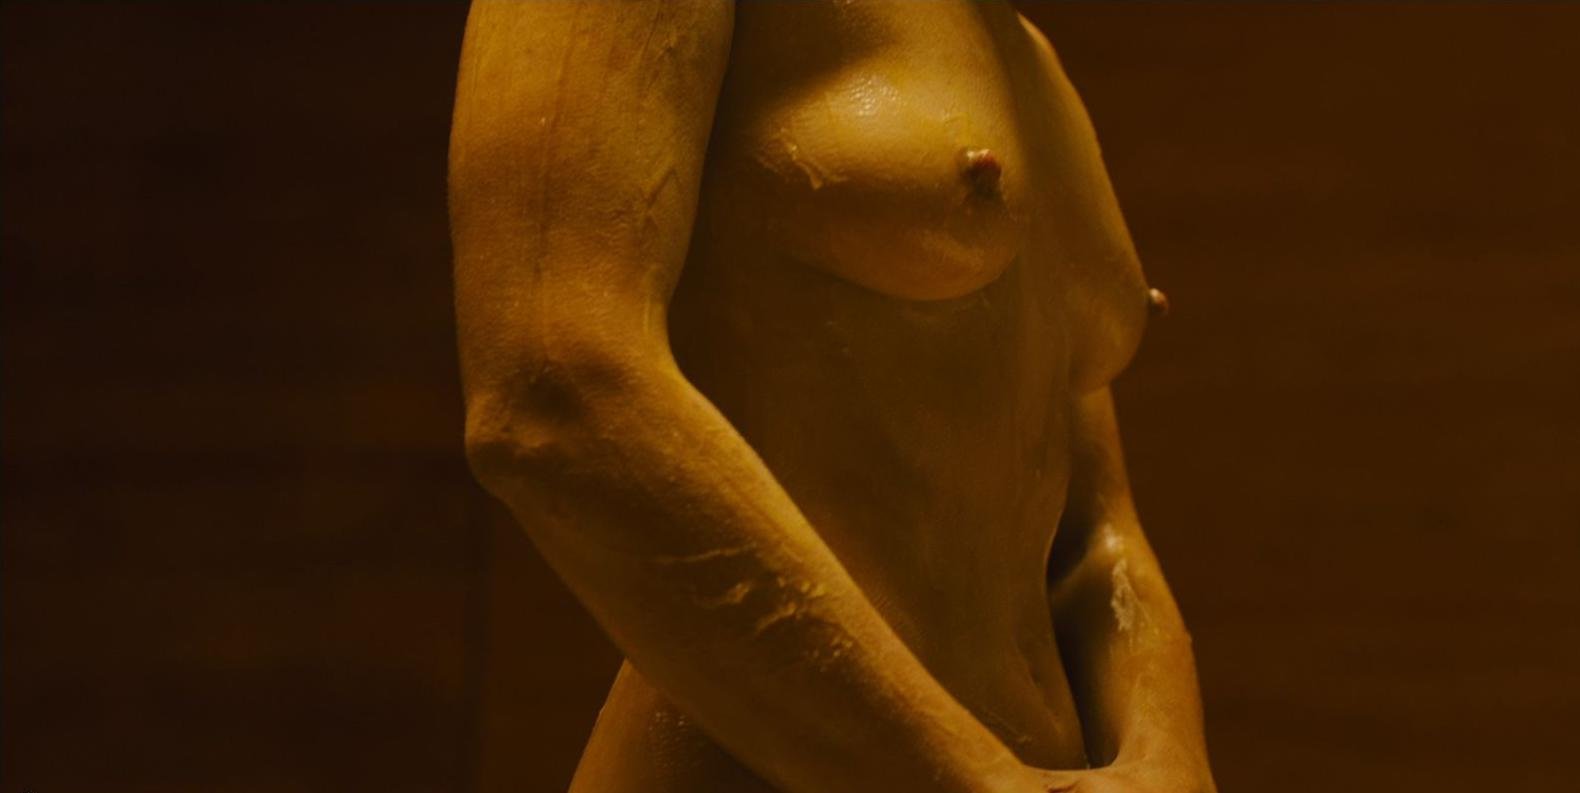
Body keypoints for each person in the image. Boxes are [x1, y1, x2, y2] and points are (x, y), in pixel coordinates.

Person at [449, 2, 1213, 791]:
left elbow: (1091, 537)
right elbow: (555, 388)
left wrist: (1169, 764)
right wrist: (981, 780)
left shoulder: (1026, 52)